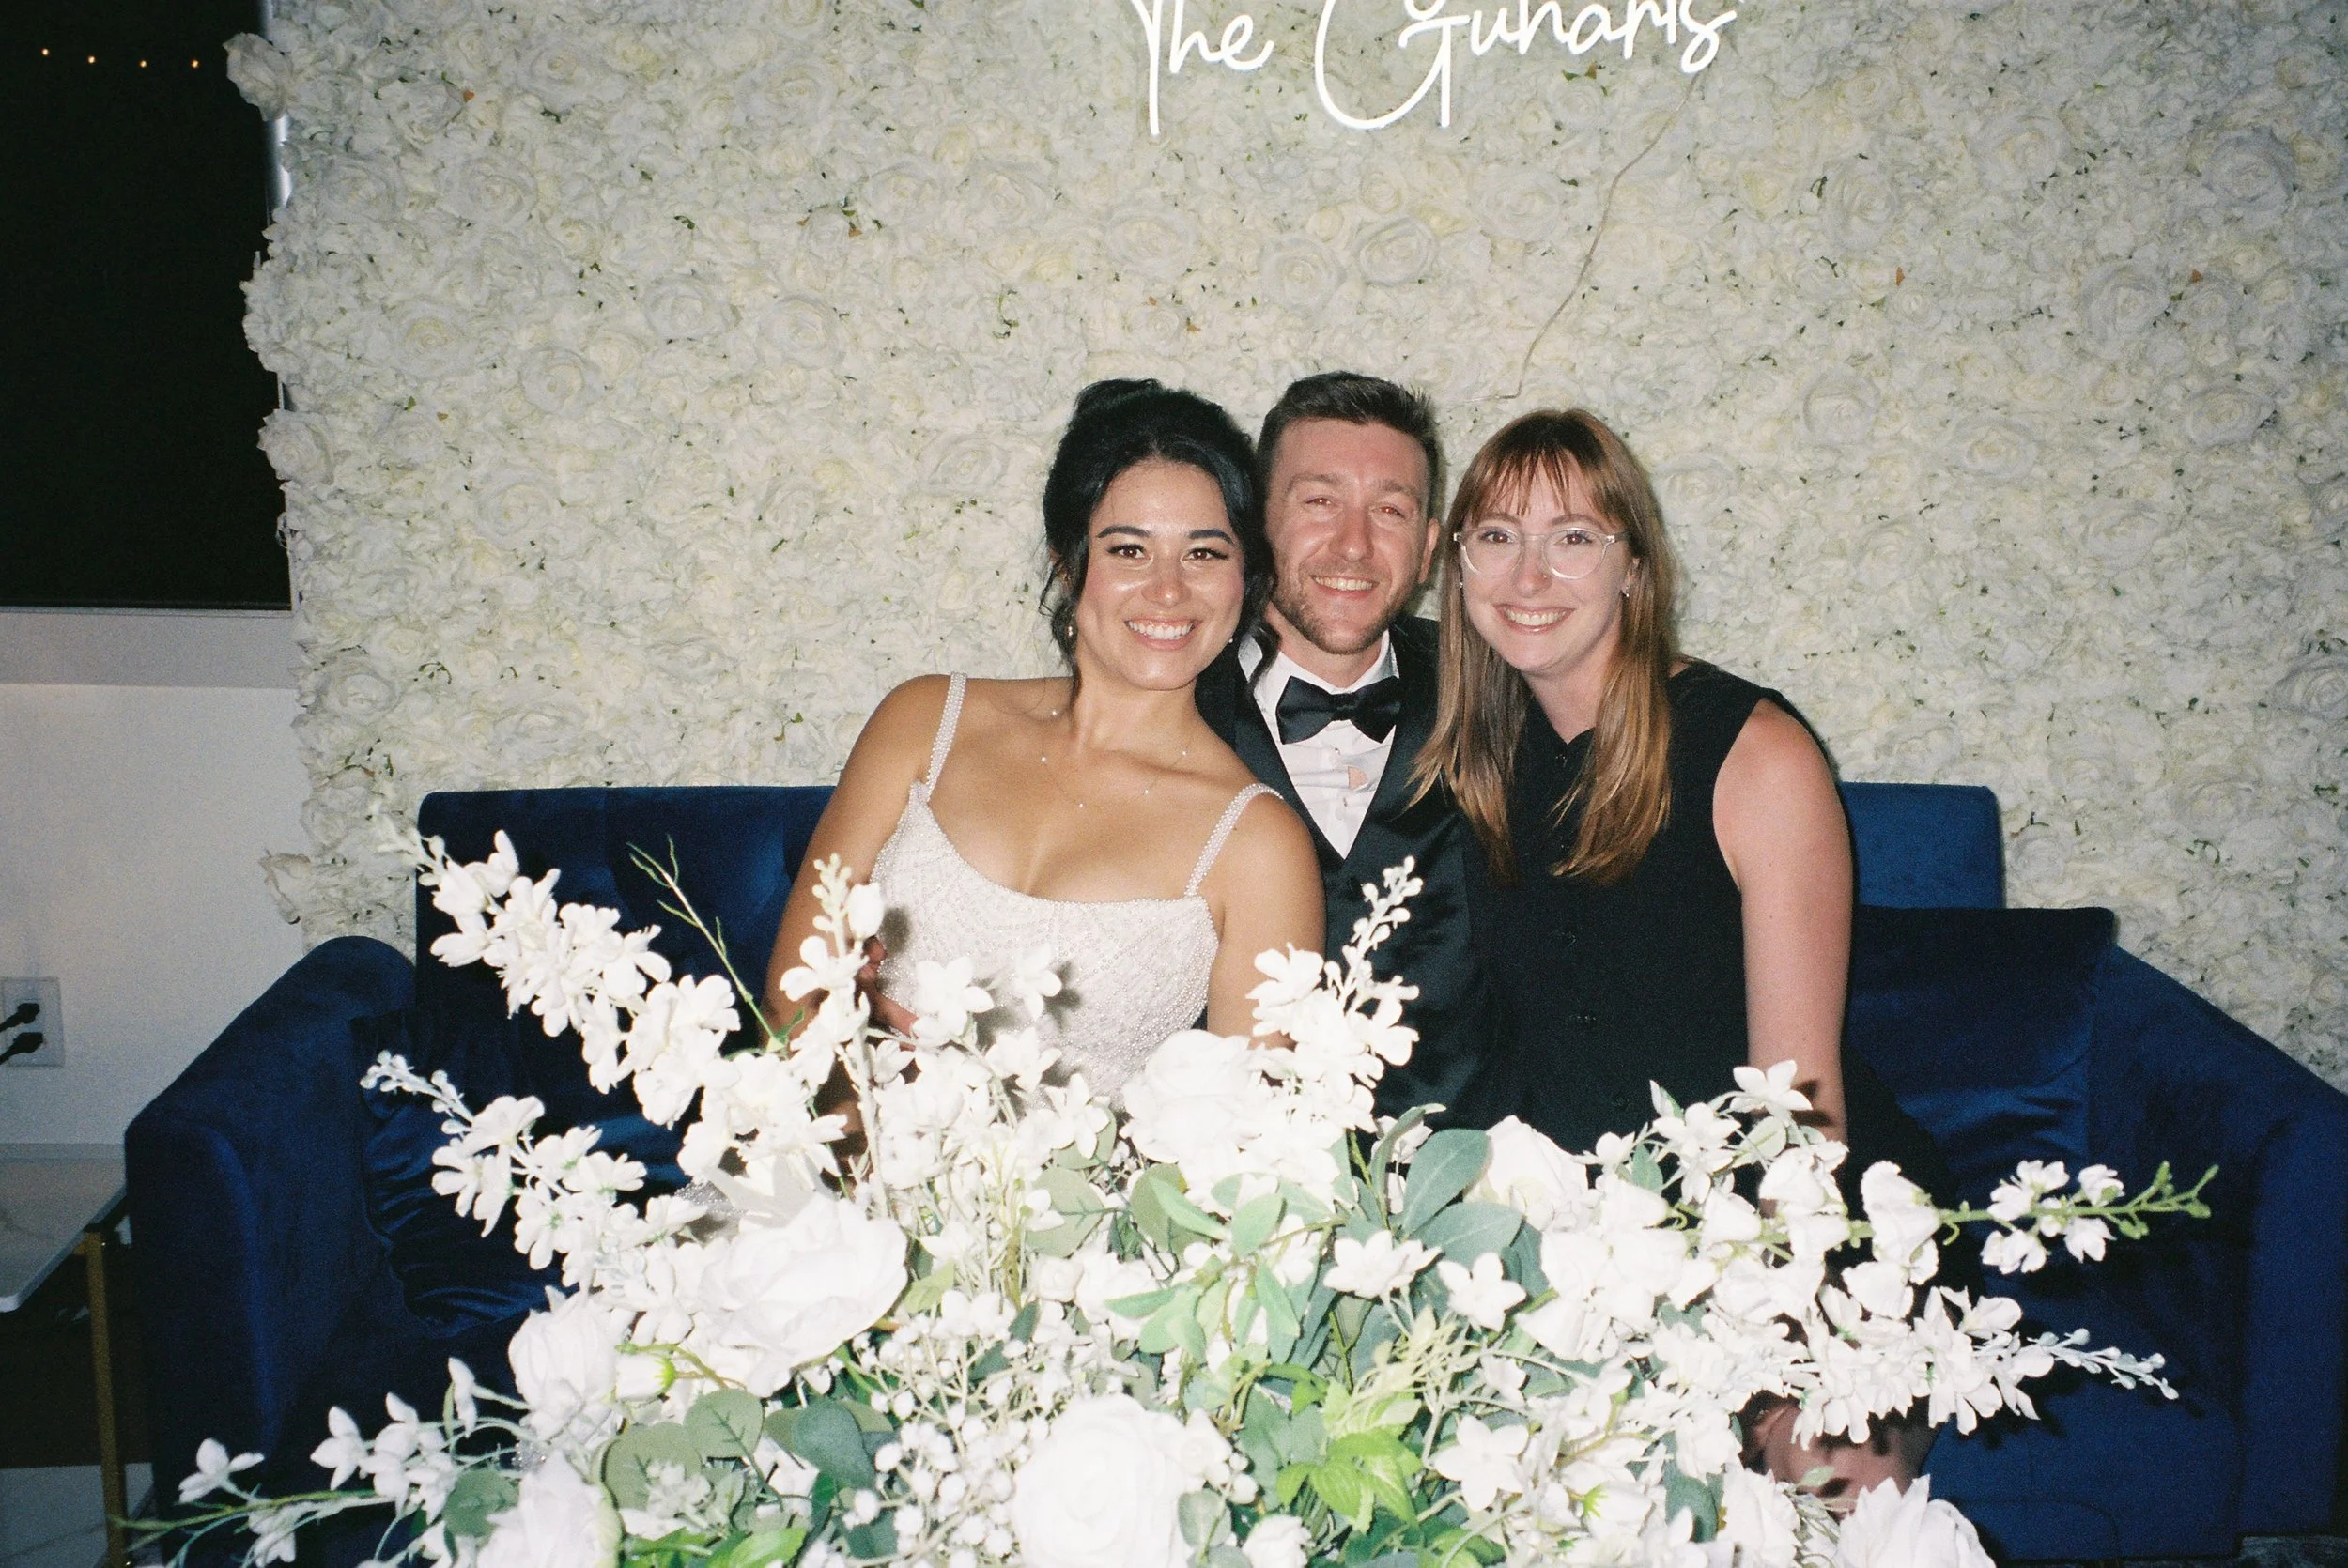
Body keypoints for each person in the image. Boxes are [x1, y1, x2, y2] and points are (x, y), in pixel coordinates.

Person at [1417, 407, 1949, 1498]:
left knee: (1817, 1471)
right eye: (1495, 536)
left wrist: (1751, 1320)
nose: (1530, 573)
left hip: (1787, 1215)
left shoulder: (1751, 749)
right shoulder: (1474, 755)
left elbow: (1800, 1109)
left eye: (1574, 535)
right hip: (1584, 1231)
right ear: (1458, 564)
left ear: (1633, 566)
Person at [762, 379, 1322, 1100]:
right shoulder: (924, 720)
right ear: (1067, 560)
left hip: (1086, 1210)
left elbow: (1248, 1151)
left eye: (1206, 555)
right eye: (1128, 550)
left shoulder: (1259, 843)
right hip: (834, 1174)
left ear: (1246, 579)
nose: (1168, 590)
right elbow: (787, 1009)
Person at [1194, 372, 1491, 1119]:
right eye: (1320, 501)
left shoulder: (1501, 689)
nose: (1354, 545)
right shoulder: (1165, 702)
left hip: (1463, 1177)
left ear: (1427, 549)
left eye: (1389, 510)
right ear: (1255, 523)